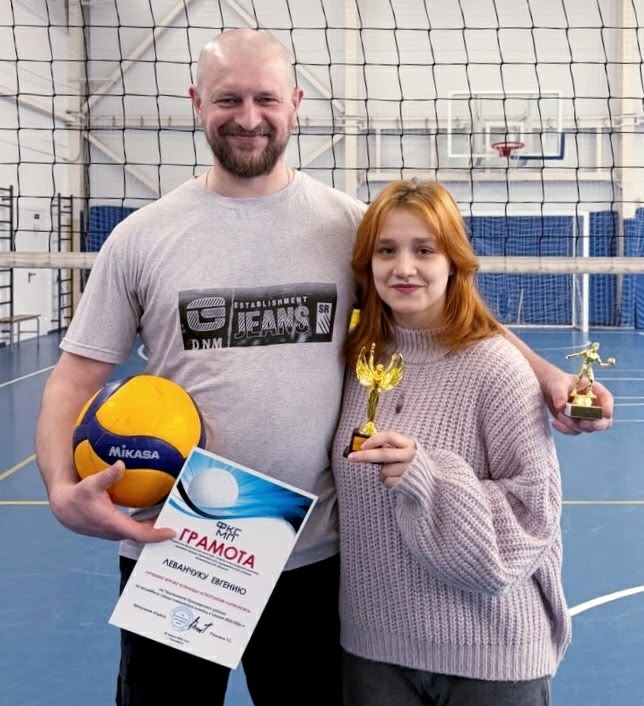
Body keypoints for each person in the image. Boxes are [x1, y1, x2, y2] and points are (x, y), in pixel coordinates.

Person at [34, 28, 610, 706]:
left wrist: (545, 374)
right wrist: (61, 488)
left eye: (266, 99)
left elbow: (446, 305)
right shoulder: (141, 237)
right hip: (179, 544)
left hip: (313, 555)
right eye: (228, 99)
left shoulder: (348, 227)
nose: (249, 117)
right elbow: (74, 379)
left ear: (296, 104)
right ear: (196, 102)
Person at [332, 178, 572, 706]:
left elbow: (533, 514)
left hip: (489, 657)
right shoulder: (353, 361)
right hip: (373, 655)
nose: (404, 268)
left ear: (453, 262)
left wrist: (429, 479)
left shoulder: (496, 367)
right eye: (386, 251)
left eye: (424, 250)